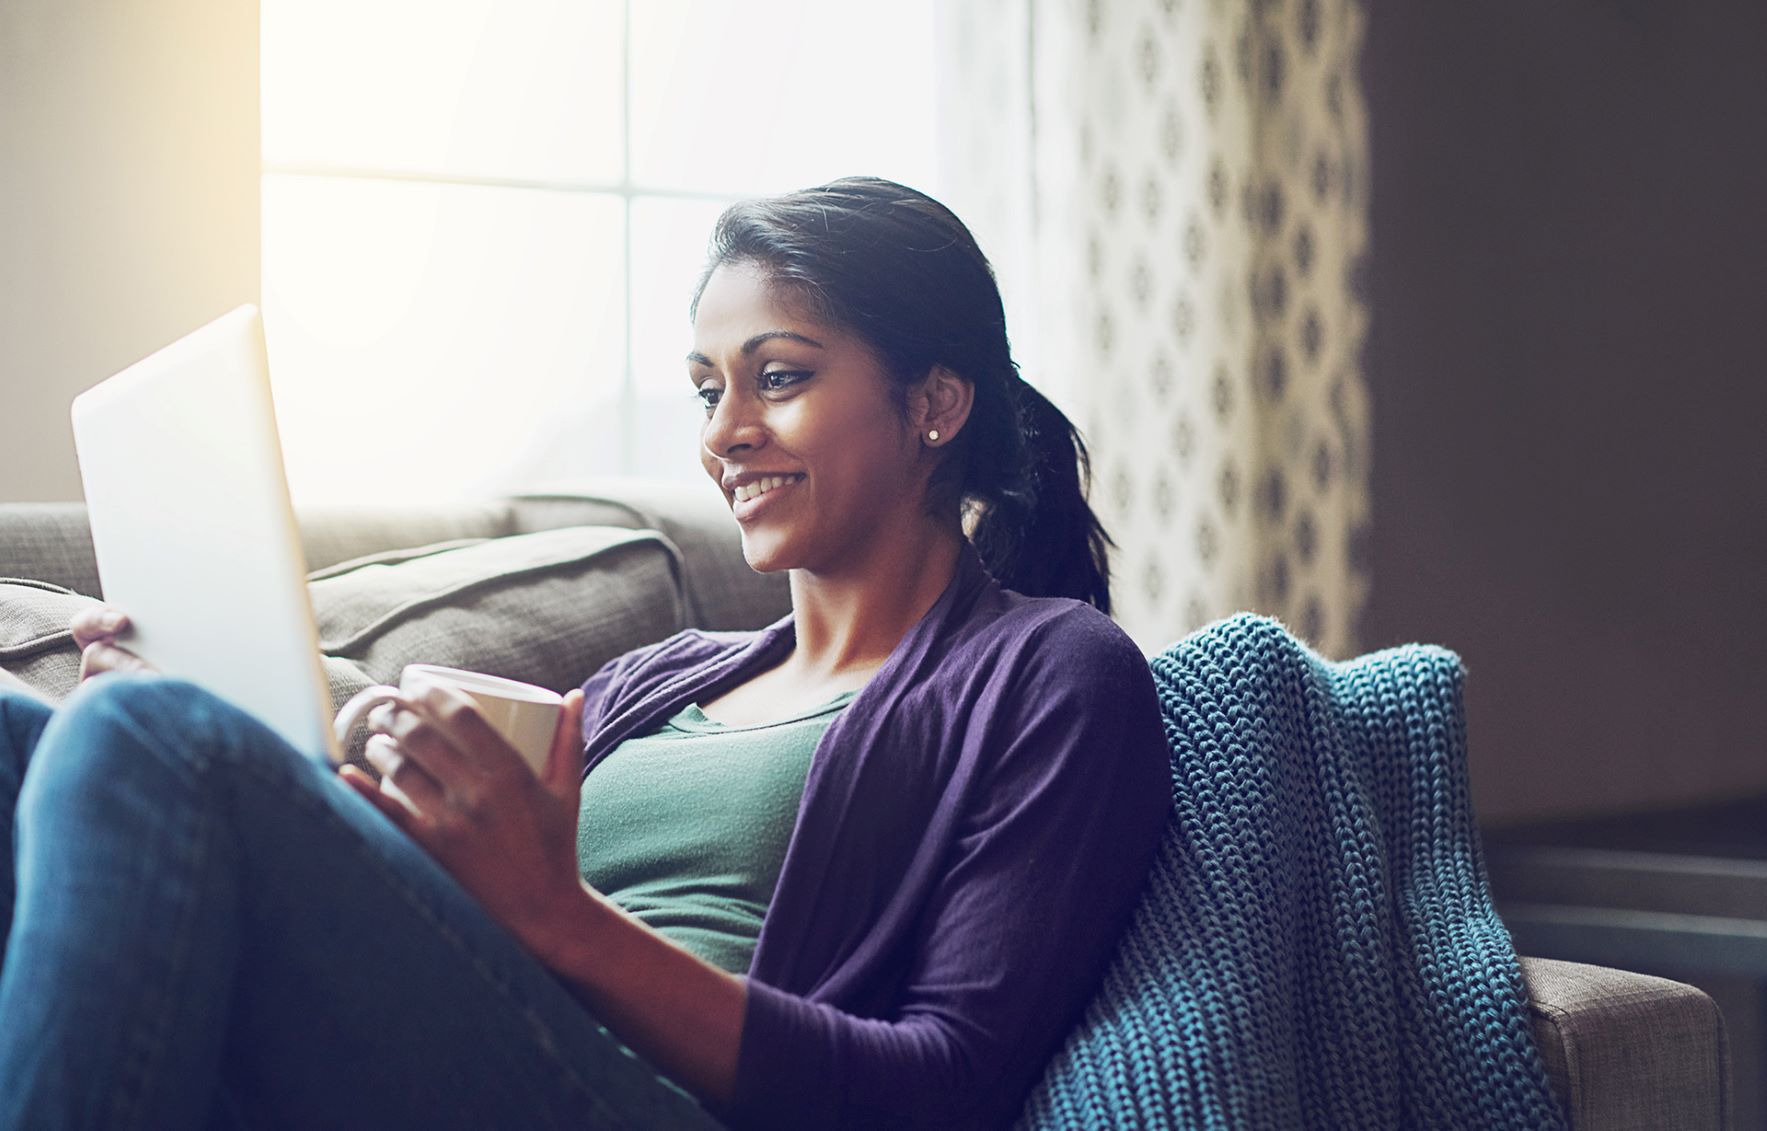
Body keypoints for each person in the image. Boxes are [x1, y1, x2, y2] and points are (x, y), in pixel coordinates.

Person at [0, 176, 1171, 1129]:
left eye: (780, 378)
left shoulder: (1051, 673)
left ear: (936, 404)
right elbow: (442, 903)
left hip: (646, 1103)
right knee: (37, 734)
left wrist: (558, 918)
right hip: (469, 1034)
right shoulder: (652, 680)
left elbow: (942, 1085)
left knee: (145, 740)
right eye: (708, 390)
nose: (725, 434)